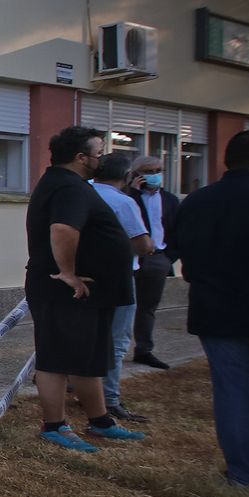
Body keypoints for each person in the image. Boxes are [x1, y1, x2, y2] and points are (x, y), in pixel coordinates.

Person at [169, 129, 249, 492]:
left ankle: (244, 476)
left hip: (218, 314)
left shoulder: (197, 201)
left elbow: (184, 258)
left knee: (233, 393)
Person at [24, 126, 147, 452]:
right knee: (57, 359)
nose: (102, 158)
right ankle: (55, 426)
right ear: (81, 158)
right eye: (98, 152)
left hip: (89, 294)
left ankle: (100, 421)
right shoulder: (67, 188)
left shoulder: (71, 184)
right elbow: (63, 228)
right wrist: (67, 272)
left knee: (89, 358)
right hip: (63, 292)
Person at [90, 154, 154, 422]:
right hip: (118, 278)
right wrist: (150, 248)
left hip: (84, 276)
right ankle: (109, 397)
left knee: (88, 337)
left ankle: (85, 386)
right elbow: (142, 244)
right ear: (127, 176)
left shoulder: (83, 194)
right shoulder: (123, 202)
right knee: (116, 340)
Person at [128, 154, 181, 369]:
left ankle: (144, 349)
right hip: (131, 259)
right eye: (148, 171)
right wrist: (132, 190)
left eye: (158, 171)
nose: (154, 175)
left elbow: (176, 230)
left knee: (147, 307)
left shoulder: (170, 199)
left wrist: (169, 258)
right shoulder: (129, 197)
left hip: (158, 258)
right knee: (122, 306)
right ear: (136, 174)